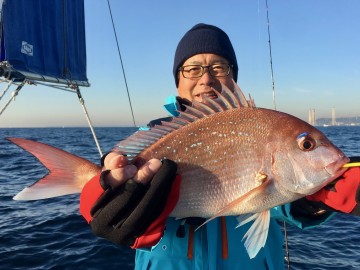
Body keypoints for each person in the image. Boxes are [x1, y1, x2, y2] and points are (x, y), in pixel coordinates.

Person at [80, 23, 360, 269]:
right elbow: (118, 172)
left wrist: (315, 202)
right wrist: (106, 195)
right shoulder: (153, 134)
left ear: (233, 76)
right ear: (178, 79)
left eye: (218, 67)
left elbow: (279, 204)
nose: (206, 78)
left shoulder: (261, 125)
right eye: (192, 69)